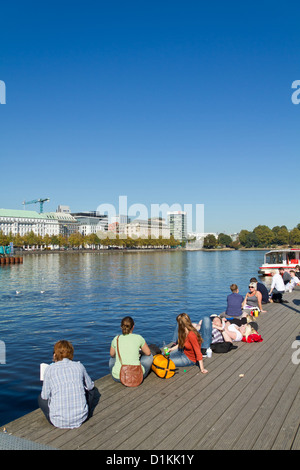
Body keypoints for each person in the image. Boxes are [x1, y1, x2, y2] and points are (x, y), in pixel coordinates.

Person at [38, 340, 95, 429]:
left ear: (55, 354)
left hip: (57, 421)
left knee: (40, 398)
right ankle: (83, 409)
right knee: (91, 391)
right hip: (81, 418)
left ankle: (56, 413)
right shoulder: (79, 366)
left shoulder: (49, 369)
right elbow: (90, 386)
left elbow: (45, 396)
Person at [109, 316, 153, 384]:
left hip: (118, 377)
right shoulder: (138, 338)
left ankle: (116, 370)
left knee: (112, 359)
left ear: (121, 327)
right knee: (150, 357)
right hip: (136, 376)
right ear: (133, 327)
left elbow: (112, 354)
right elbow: (148, 353)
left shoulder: (116, 339)